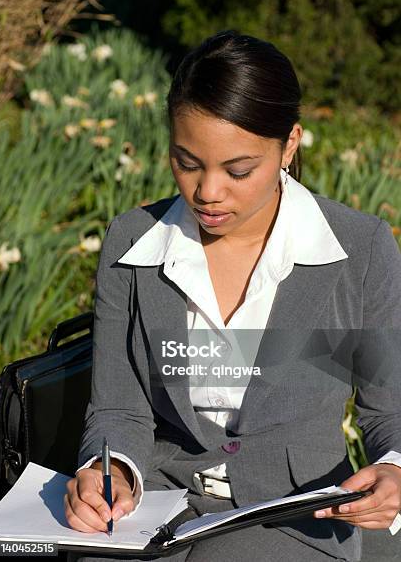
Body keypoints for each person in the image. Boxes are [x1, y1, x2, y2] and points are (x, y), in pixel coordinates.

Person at [64, 30, 401, 562]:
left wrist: (394, 468)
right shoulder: (131, 243)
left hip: (296, 518)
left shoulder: (359, 250)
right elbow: (118, 409)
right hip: (152, 516)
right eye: (187, 162)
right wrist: (108, 473)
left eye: (238, 170)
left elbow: (389, 412)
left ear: (290, 144)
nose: (207, 192)